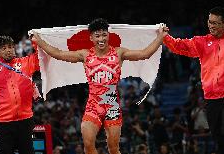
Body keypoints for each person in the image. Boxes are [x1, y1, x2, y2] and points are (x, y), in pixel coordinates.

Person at [32, 18, 165, 154]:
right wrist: (39, 41)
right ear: (91, 38)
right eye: (97, 36)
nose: (101, 38)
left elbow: (145, 54)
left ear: (108, 35)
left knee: (113, 149)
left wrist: (160, 36)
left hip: (112, 106)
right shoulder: (85, 55)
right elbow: (58, 54)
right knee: (88, 145)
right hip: (93, 105)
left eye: (104, 35)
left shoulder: (119, 53)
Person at [162, 6, 224, 154]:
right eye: (209, 22)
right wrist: (165, 37)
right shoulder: (202, 42)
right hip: (210, 97)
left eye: (216, 23)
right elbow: (180, 46)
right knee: (217, 135)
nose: (211, 26)